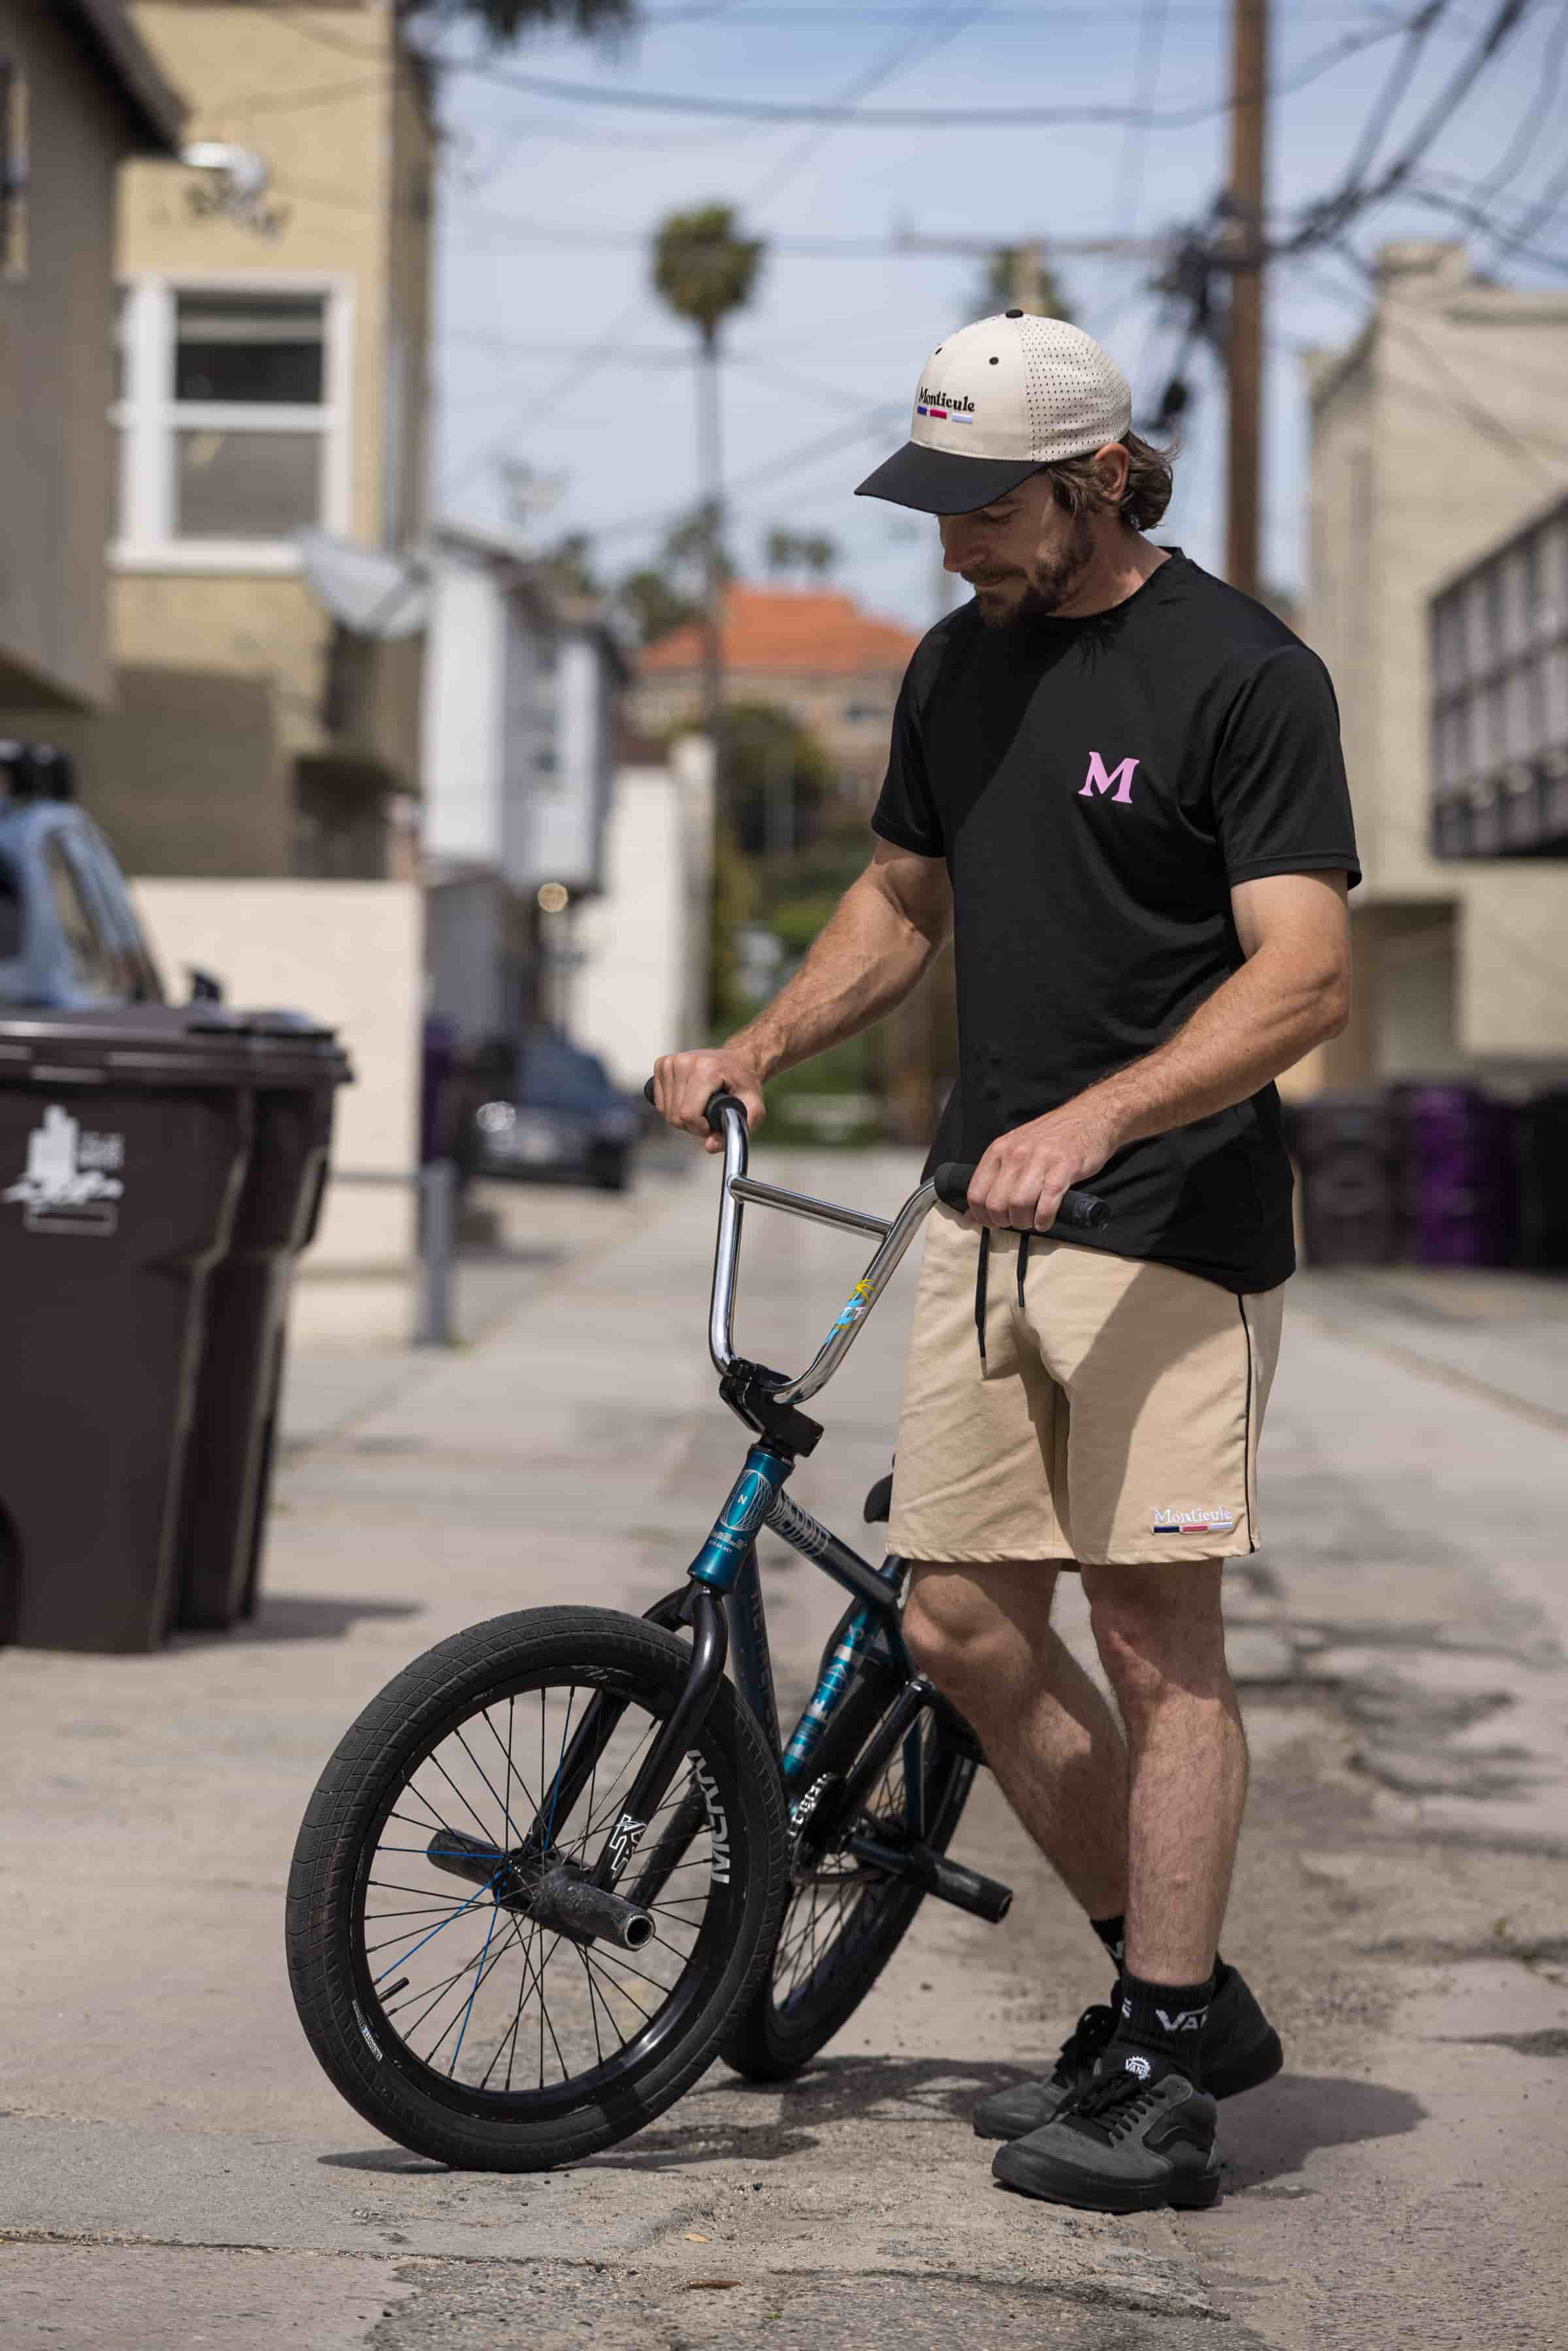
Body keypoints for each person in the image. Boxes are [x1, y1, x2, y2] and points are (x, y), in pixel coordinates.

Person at [652, 310, 1358, 2216]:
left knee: (1152, 1637)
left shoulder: (1243, 674)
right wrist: (759, 1047)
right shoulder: (957, 670)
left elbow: (1305, 973)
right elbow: (901, 895)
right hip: (984, 1217)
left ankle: (1159, 2057)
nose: (951, 538)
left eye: (984, 505)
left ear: (1094, 476)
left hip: (1169, 1234)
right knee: (962, 1624)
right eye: (933, 502)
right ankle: (1174, 1985)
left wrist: (1108, 1115)